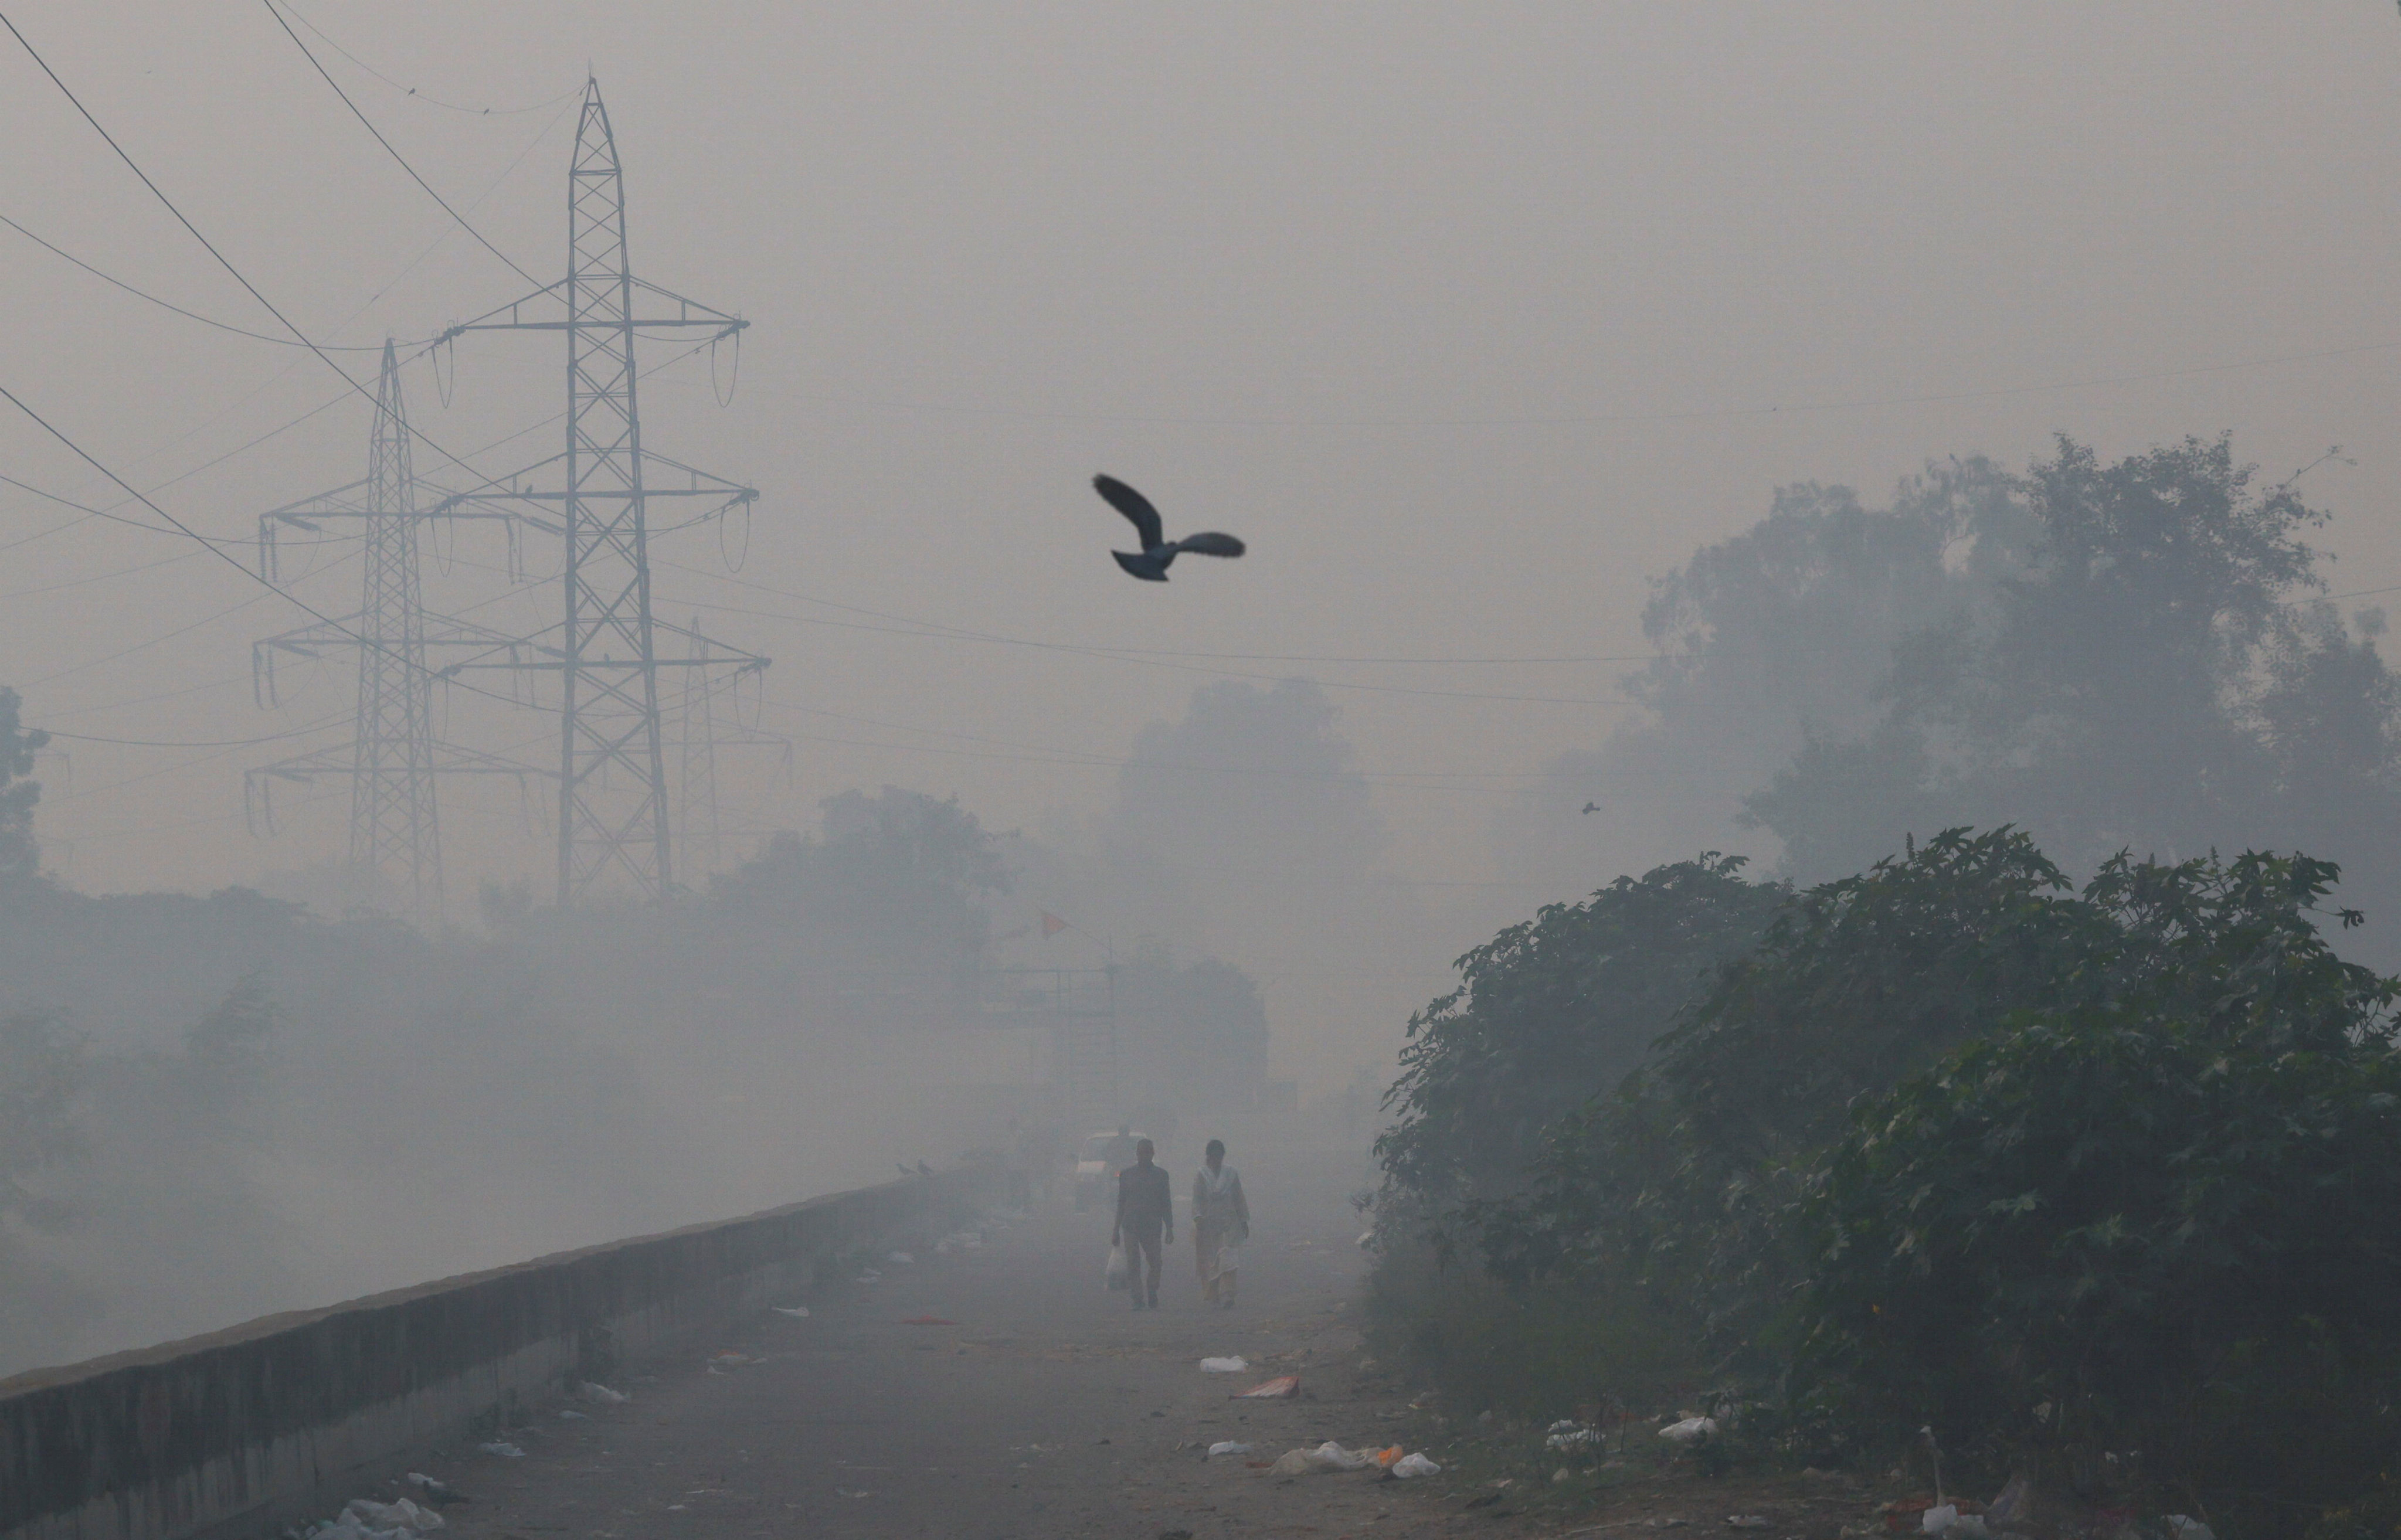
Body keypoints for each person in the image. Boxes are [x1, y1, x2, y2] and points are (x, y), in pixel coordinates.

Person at [1112, 1137, 1173, 1310]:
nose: (1145, 1156)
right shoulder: (1126, 1175)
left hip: (1152, 1227)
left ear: (1153, 1154)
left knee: (1156, 1263)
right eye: (1141, 1152)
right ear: (1137, 1154)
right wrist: (1116, 1230)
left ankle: (1152, 1290)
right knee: (1133, 1264)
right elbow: (1121, 1202)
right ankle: (1137, 1299)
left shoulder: (1161, 1176)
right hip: (1131, 1225)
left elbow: (1166, 1203)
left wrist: (1170, 1228)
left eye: (1148, 1152)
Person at [1192, 1138, 1249, 1310]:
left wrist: (1244, 1220)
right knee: (1211, 1261)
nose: (1217, 1160)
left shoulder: (1231, 1174)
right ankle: (1212, 1294)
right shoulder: (1202, 1175)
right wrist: (1198, 1218)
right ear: (1208, 1157)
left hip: (1229, 1222)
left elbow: (1239, 1197)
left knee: (1229, 1259)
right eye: (1214, 1157)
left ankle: (1228, 1294)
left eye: (1220, 1156)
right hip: (1208, 1223)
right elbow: (1197, 1199)